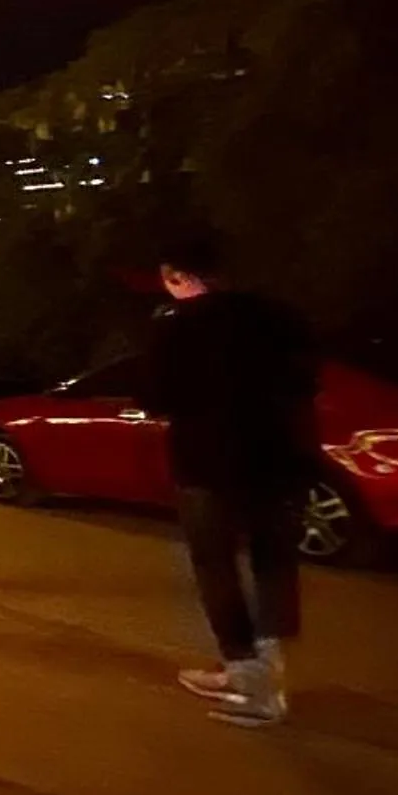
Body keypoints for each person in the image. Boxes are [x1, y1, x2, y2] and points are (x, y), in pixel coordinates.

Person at [141, 230, 318, 727]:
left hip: (207, 464)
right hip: (279, 460)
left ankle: (247, 676)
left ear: (176, 277)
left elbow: (155, 398)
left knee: (215, 565)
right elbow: (307, 382)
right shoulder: (278, 316)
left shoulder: (175, 327)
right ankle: (270, 667)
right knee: (273, 563)